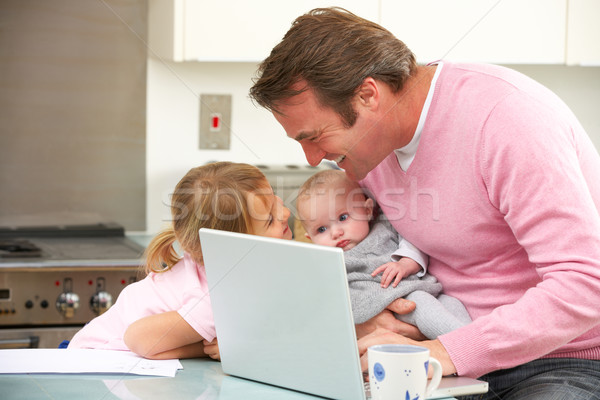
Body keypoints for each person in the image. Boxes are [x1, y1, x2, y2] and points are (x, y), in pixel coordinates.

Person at [249, 7, 600, 399]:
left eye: (314, 136)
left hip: (562, 361)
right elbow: (372, 255)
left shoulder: (508, 120)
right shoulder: (367, 153)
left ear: (368, 95)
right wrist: (371, 316)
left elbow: (586, 283)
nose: (313, 158)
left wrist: (448, 350)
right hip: (434, 350)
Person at [68, 162, 293, 360]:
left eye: (275, 198)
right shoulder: (218, 295)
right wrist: (212, 348)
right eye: (271, 219)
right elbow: (139, 340)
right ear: (231, 248)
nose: (285, 213)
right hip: (97, 358)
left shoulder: (224, 266)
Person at [296, 169, 471, 339]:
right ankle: (466, 347)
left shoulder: (385, 228)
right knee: (421, 304)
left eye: (343, 218)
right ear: (310, 238)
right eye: (321, 229)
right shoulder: (329, 261)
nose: (335, 233)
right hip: (388, 306)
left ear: (367, 210)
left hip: (421, 290)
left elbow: (413, 243)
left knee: (452, 303)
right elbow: (327, 299)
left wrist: (406, 263)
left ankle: (473, 348)